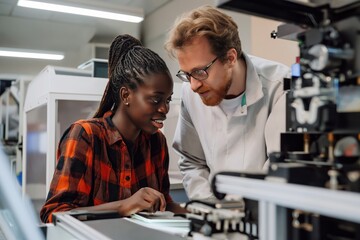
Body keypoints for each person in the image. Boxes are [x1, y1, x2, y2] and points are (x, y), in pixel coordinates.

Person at [40, 34, 185, 223]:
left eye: (167, 100)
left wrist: (202, 215)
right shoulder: (86, 136)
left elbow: (164, 202)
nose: (164, 109)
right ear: (126, 95)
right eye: (156, 99)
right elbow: (53, 214)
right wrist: (123, 206)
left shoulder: (157, 142)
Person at [165, 6, 290, 200]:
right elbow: (191, 161)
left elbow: (280, 167)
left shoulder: (280, 87)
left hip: (263, 214)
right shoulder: (191, 93)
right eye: (187, 74)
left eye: (200, 72)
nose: (194, 85)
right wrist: (211, 208)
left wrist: (241, 213)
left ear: (230, 58)